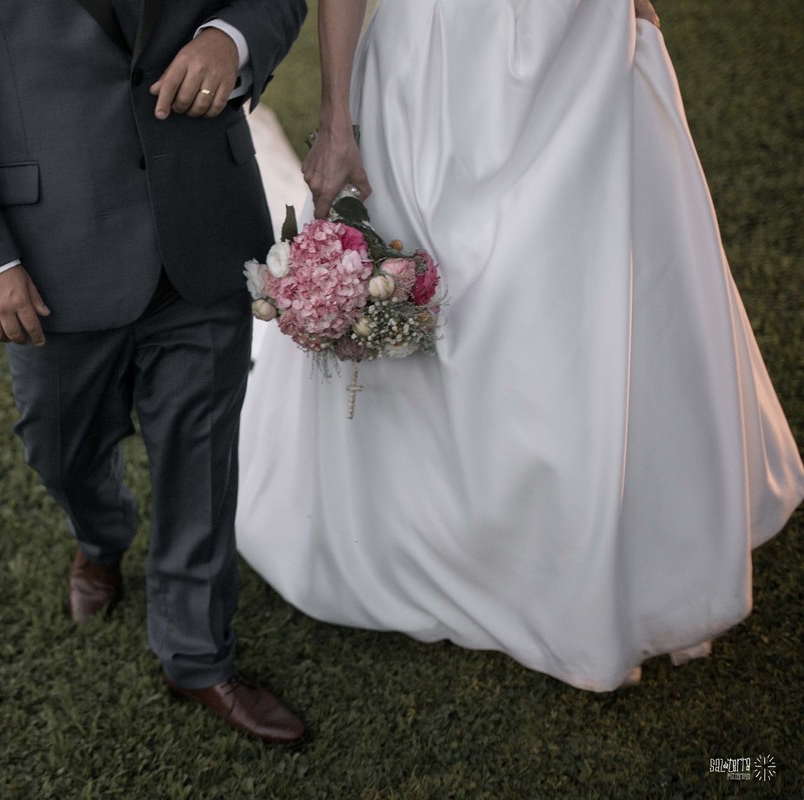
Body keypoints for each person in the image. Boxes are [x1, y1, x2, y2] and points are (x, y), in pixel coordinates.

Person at [236, 0, 804, 691]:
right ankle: (466, 542)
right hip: (437, 69)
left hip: (583, 50)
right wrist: (335, 118)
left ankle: (615, 547)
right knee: (459, 304)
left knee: (593, 300)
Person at [0, 0, 308, 743]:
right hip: (48, 250)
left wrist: (229, 40)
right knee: (61, 449)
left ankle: (196, 657)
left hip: (206, 217)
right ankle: (100, 533)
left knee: (199, 458)